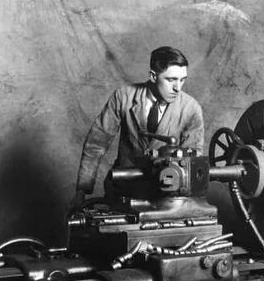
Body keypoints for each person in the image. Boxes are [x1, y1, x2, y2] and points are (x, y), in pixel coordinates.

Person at [70, 46, 204, 210]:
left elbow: (194, 159)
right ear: (153, 76)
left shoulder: (191, 108)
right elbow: (96, 144)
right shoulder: (123, 97)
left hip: (165, 199)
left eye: (182, 79)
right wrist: (81, 192)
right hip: (123, 191)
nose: (178, 87)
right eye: (171, 80)